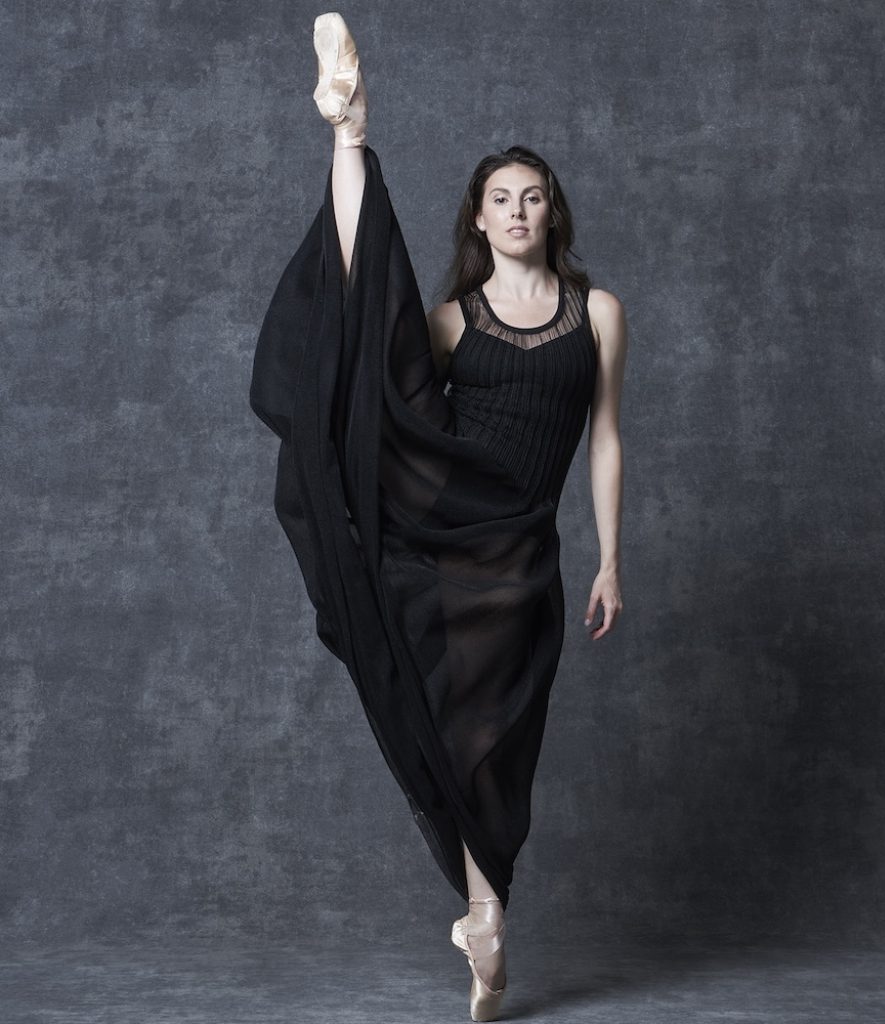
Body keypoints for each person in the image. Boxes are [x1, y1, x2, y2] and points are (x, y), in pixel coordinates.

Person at [249, 13, 628, 1021]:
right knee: (363, 296)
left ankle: (483, 916)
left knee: (502, 740)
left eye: (531, 197)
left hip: (527, 556)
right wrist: (349, 149)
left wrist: (610, 562)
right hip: (445, 533)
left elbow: (606, 439)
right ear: (478, 218)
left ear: (552, 213)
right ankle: (347, 132)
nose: (515, 212)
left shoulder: (598, 313)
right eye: (499, 199)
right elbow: (379, 357)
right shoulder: (455, 319)